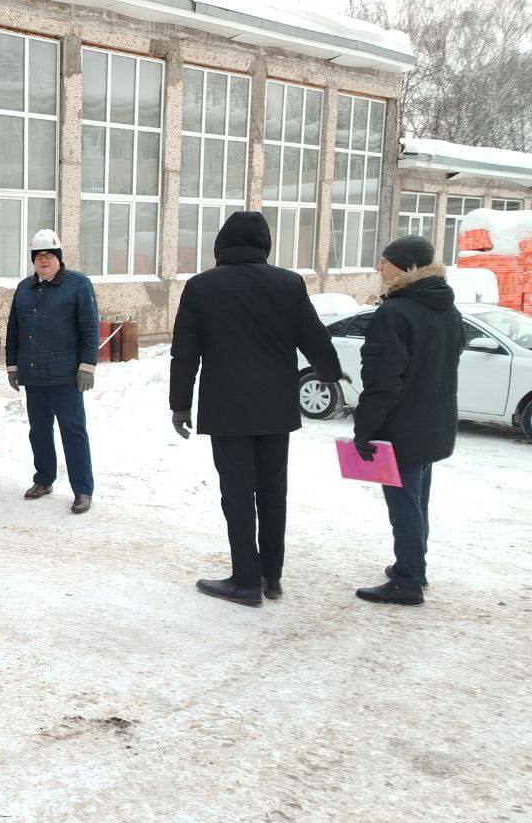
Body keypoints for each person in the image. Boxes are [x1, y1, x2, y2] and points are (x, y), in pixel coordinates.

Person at [169, 211, 342, 608]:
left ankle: (245, 580)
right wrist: (330, 372)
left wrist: (180, 404)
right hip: (275, 410)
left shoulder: (201, 287)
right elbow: (314, 337)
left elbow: (185, 354)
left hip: (227, 411)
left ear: (221, 244)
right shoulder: (288, 283)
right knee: (273, 492)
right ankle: (271, 576)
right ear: (265, 244)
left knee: (237, 495)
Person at [352, 236, 463, 607]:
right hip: (435, 423)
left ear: (404, 265)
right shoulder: (447, 309)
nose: (379, 267)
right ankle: (413, 567)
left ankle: (407, 582)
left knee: (404, 507)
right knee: (417, 502)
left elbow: (382, 380)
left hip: (402, 429)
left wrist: (365, 429)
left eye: (384, 260)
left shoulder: (395, 313)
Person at [4, 229, 100, 514]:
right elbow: (14, 330)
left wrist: (87, 366)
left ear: (58, 257)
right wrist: (12, 365)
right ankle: (44, 479)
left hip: (66, 376)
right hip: (34, 375)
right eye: (38, 256)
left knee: (73, 431)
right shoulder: (24, 288)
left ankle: (82, 490)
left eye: (49, 255)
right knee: (39, 431)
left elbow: (90, 328)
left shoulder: (78, 285)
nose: (43, 260)